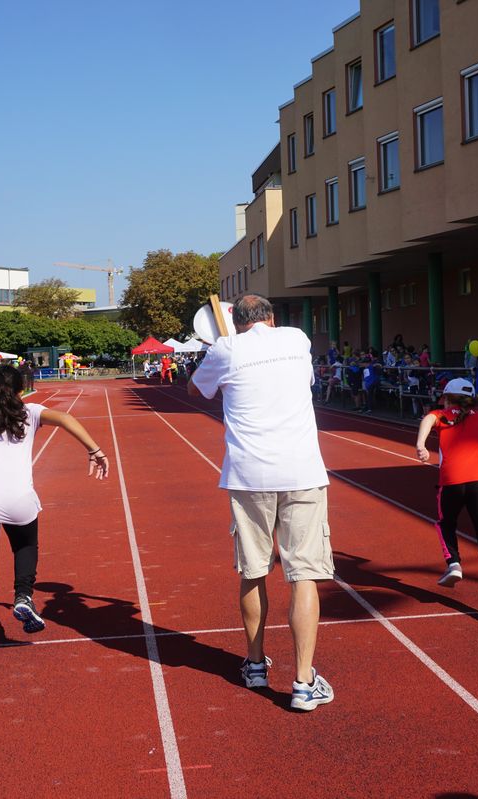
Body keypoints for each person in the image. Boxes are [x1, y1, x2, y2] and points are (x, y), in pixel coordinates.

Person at [189, 293, 336, 712]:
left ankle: (255, 665)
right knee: (303, 574)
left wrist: (215, 349)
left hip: (249, 474)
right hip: (302, 471)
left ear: (236, 322)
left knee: (253, 571)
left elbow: (197, 389)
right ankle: (304, 682)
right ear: (271, 318)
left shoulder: (224, 349)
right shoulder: (297, 339)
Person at [0, 365, 109, 676]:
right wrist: (94, 449)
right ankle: (23, 595)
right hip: (19, 500)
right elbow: (66, 419)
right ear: (22, 390)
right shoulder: (31, 412)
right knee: (25, 546)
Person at [414, 378, 478, 620]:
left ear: (447, 397)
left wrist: (421, 444)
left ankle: (454, 563)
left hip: (451, 481)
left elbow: (428, 418)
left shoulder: (442, 415)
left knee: (445, 523)